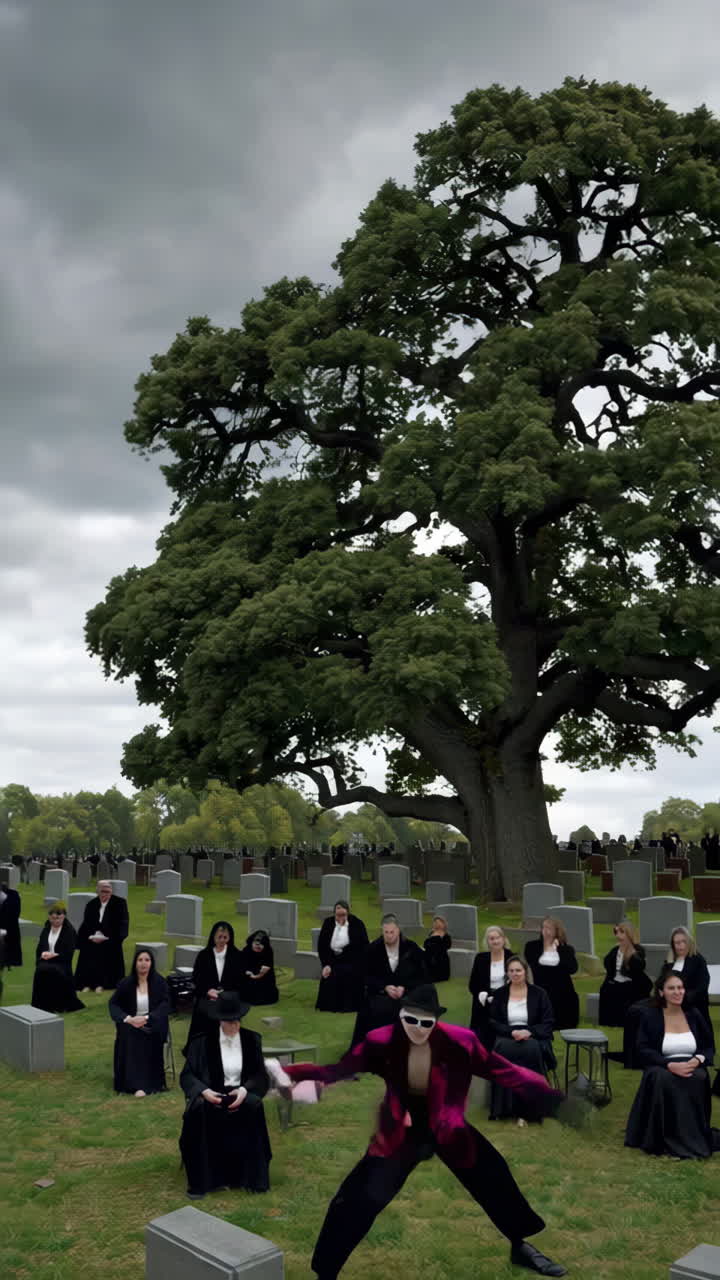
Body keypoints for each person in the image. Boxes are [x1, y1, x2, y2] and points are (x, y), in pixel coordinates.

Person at [283, 984, 568, 1277]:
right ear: (400, 1015)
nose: (418, 1029)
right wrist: (292, 1076)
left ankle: (520, 1245)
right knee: (359, 1195)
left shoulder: (462, 1042)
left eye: (426, 1023)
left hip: (447, 1124)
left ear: (436, 1021)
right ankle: (325, 1271)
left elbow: (504, 1071)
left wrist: (552, 1097)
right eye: (410, 1020)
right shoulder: (380, 1041)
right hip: (401, 1128)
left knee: (493, 1174)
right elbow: (340, 1069)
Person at [179, 990, 272, 1197]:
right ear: (219, 1020)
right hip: (211, 1095)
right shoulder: (201, 1042)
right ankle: (204, 1180)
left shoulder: (252, 1040)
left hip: (240, 1093)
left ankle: (251, 1178)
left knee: (254, 1106)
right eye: (229, 1022)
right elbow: (187, 1076)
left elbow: (260, 1075)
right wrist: (204, 1091)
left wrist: (244, 1090)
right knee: (200, 1111)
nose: (234, 1025)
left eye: (237, 1020)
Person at [625, 971, 718, 1159]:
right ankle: (664, 1138)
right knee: (665, 1079)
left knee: (699, 1077)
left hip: (692, 1064)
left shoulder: (694, 1014)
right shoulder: (651, 1015)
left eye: (680, 987)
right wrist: (669, 1064)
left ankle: (693, 1135)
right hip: (661, 1065)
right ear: (661, 992)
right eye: (671, 988)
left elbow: (709, 1046)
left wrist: (696, 1060)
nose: (677, 992)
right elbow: (643, 1049)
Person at [489, 956, 556, 1123]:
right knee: (503, 1051)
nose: (515, 974)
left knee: (530, 1050)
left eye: (518, 970)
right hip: (507, 1036)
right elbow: (493, 1021)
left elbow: (548, 1022)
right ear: (507, 973)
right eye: (511, 971)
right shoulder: (500, 994)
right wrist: (511, 1032)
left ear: (525, 972)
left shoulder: (539, 993)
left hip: (532, 1036)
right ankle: (503, 1108)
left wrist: (529, 1032)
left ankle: (530, 1110)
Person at [352, 913, 427, 1045]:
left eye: (392, 932)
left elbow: (422, 974)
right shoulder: (372, 949)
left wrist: (405, 987)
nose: (389, 935)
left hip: (406, 996)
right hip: (380, 995)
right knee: (371, 1007)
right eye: (386, 932)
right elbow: (364, 976)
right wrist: (384, 987)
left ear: (398, 930)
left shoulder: (411, 947)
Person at [109, 948, 169, 1096]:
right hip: (131, 1023)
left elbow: (166, 1004)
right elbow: (113, 1004)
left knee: (148, 1036)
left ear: (151, 963)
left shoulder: (160, 982)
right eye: (140, 960)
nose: (143, 964)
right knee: (131, 1036)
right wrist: (129, 1019)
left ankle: (148, 1084)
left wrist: (147, 1018)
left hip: (151, 1022)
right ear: (135, 963)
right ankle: (132, 1084)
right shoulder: (126, 983)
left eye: (147, 960)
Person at [185, 921, 245, 1047]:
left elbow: (241, 982)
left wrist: (227, 994)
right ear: (213, 936)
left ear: (230, 938)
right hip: (206, 1005)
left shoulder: (237, 957)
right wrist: (207, 991)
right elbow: (196, 979)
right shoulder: (203, 955)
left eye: (225, 937)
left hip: (228, 1006)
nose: (222, 940)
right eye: (219, 937)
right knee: (204, 1042)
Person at [658, 927, 713, 1046]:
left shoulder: (698, 959)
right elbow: (661, 982)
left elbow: (703, 984)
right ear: (673, 945)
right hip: (670, 1003)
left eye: (684, 942)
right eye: (677, 943)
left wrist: (684, 998)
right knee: (638, 1010)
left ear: (689, 942)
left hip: (692, 1003)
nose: (681, 946)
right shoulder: (670, 961)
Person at [524, 918, 579, 1031]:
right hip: (541, 986)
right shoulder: (532, 946)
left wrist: (556, 950)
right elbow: (533, 963)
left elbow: (573, 969)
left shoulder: (566, 949)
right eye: (543, 927)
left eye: (549, 928)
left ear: (557, 931)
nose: (545, 930)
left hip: (562, 989)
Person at [74, 881, 129, 993]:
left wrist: (108, 936)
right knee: (87, 949)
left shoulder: (119, 903)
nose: (105, 894)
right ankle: (86, 984)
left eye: (108, 892)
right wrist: (90, 936)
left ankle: (103, 984)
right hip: (93, 937)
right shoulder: (91, 904)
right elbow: (86, 924)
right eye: (103, 891)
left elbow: (123, 922)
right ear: (97, 891)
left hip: (111, 938)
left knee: (106, 950)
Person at [598, 919, 652, 1031]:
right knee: (606, 990)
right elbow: (608, 965)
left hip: (632, 982)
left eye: (621, 932)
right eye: (616, 932)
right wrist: (618, 954)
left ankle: (627, 1021)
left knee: (627, 993)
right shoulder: (615, 950)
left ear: (629, 934)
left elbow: (639, 967)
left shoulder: (637, 950)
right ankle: (609, 1022)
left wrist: (629, 954)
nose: (618, 935)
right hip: (616, 981)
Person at [31, 902, 85, 1013]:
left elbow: (69, 952)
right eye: (52, 918)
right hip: (46, 959)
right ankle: (41, 1005)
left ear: (63, 917)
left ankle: (57, 1005)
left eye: (58, 918)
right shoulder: (46, 929)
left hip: (62, 962)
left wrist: (55, 955)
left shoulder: (69, 931)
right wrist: (43, 954)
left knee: (53, 971)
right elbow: (40, 946)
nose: (55, 921)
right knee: (40, 970)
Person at [316, 900, 369, 1012]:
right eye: (338, 915)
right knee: (330, 973)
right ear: (334, 913)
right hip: (332, 960)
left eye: (343, 915)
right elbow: (322, 946)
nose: (340, 918)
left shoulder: (357, 924)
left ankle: (348, 1006)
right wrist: (326, 964)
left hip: (352, 961)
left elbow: (363, 947)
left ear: (348, 913)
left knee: (347, 973)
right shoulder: (328, 923)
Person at [468, 925, 513, 1048]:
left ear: (503, 939)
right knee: (482, 1038)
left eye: (498, 937)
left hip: (505, 1001)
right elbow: (473, 984)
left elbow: (517, 980)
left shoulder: (511, 957)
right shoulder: (480, 958)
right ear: (487, 942)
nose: (495, 941)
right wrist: (482, 994)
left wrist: (500, 996)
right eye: (491, 939)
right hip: (483, 1002)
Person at [239, 929, 279, 1005]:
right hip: (248, 977)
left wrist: (258, 974)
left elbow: (267, 968)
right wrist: (246, 971)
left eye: (261, 945)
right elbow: (242, 965)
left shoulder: (268, 951)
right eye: (255, 944)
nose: (258, 946)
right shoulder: (246, 950)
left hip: (263, 979)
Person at [0, 880, 22, 969]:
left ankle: (8, 961)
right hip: (10, 924)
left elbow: (16, 911)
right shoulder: (14, 895)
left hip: (8, 923)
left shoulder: (13, 895)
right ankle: (8, 961)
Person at [423, 914, 452, 983]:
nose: (437, 924)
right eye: (435, 923)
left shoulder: (446, 935)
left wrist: (437, 940)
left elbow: (447, 945)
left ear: (443, 924)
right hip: (429, 957)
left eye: (439, 922)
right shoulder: (431, 933)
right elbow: (425, 944)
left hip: (441, 958)